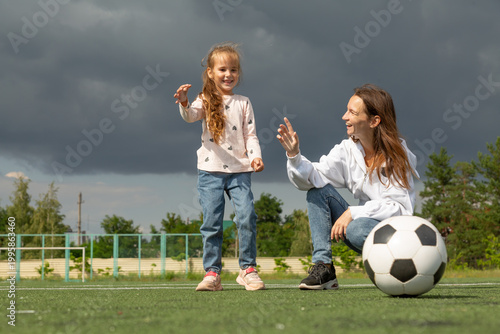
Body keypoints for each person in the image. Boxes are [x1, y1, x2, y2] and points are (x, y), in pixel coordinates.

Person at [276, 84, 418, 290]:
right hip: (357, 228)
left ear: (374, 121)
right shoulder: (346, 150)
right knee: (319, 190)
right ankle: (324, 267)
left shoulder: (398, 155)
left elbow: (400, 208)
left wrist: (353, 211)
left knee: (357, 228)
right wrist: (294, 156)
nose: (345, 117)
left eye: (352, 112)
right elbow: (314, 177)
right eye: (347, 110)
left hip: (393, 234)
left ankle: (391, 268)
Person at [174, 42, 265, 291]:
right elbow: (191, 115)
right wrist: (183, 102)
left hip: (240, 171)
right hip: (210, 171)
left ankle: (248, 269)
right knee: (212, 223)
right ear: (211, 73)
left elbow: (251, 135)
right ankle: (212, 273)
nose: (228, 74)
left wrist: (255, 156)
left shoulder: (244, 102)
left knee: (247, 216)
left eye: (234, 70)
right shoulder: (204, 99)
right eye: (223, 69)